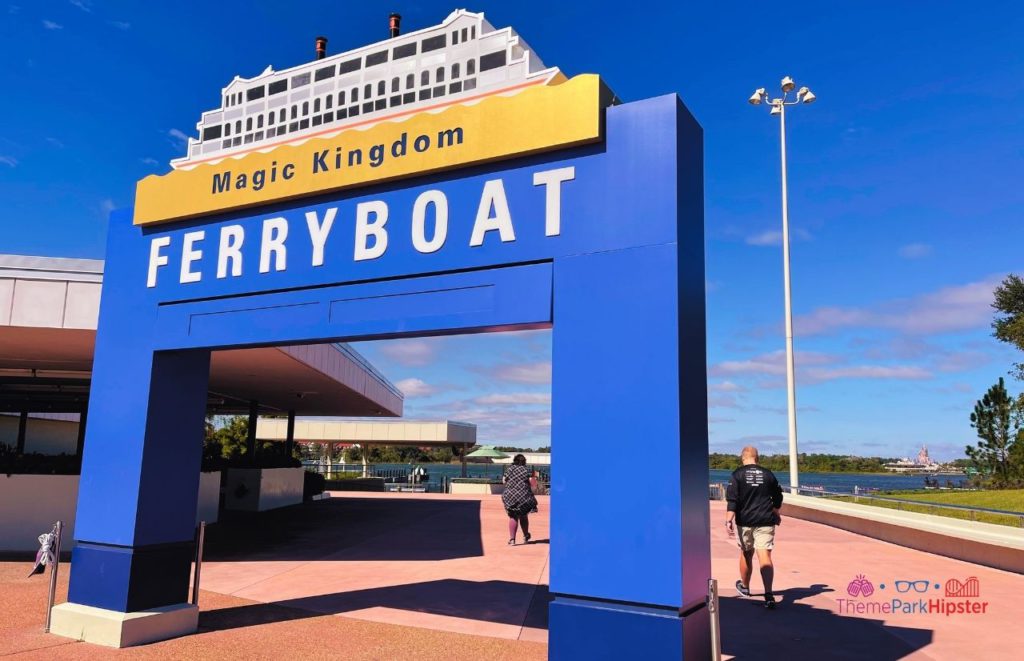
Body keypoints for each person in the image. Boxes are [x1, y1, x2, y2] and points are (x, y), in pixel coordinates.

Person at [725, 446, 783, 609]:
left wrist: (728, 520)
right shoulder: (768, 474)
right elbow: (778, 496)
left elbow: (732, 499)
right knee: (764, 556)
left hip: (745, 521)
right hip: (765, 520)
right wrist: (775, 511)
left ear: (743, 458)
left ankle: (745, 586)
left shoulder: (737, 474)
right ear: (757, 458)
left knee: (746, 553)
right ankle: (769, 594)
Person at [502, 454, 538, 545]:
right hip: (524, 496)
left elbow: (503, 481)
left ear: (514, 460)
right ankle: (526, 536)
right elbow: (533, 484)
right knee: (523, 515)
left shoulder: (510, 469)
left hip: (510, 496)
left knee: (513, 516)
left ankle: (512, 540)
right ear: (524, 461)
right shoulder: (528, 470)